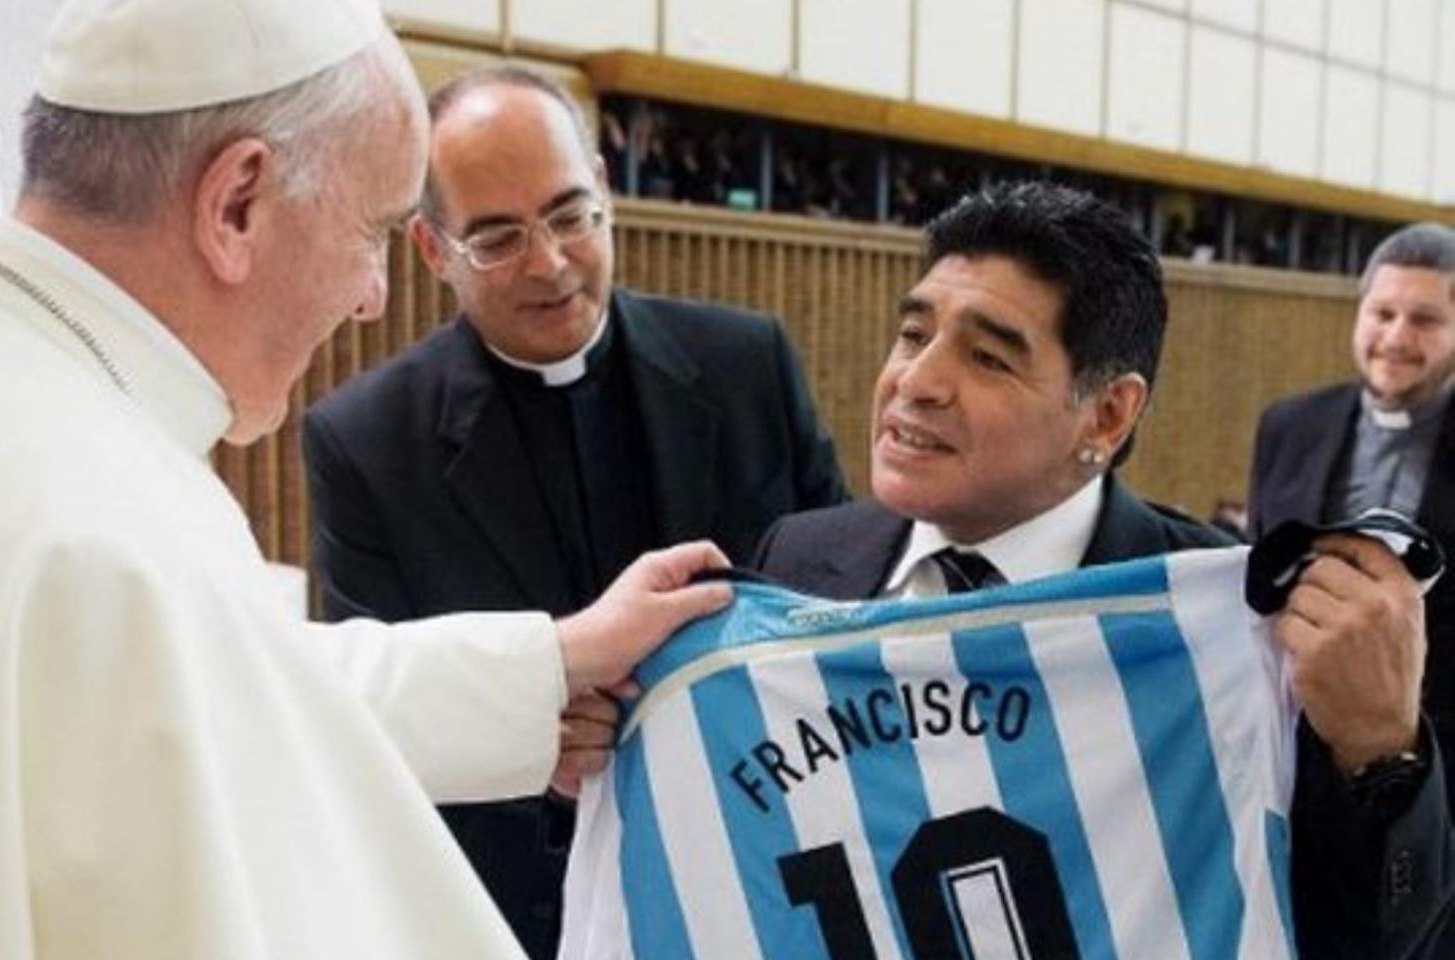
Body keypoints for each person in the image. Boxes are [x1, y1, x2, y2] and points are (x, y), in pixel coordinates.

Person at [0, 1, 736, 957]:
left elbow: (231, 686)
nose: (369, 297)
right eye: (368, 233)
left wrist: (542, 669)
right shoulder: (97, 525)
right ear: (235, 204)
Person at [754, 182, 1454, 958]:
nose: (915, 382)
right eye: (914, 334)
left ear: (1108, 415)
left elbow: (1373, 936)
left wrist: (1381, 752)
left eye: (987, 356)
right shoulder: (797, 561)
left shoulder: (1235, 627)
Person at [301, 66, 846, 957]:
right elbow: (375, 728)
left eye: (568, 214)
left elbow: (836, 593)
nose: (549, 263)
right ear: (433, 250)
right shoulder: (365, 441)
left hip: (764, 876)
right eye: (499, 237)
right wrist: (527, 739)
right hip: (520, 911)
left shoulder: (748, 365)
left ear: (604, 187)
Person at [1249, 221, 1455, 956]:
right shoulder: (1287, 424)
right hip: (1289, 761)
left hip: (1430, 775)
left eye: (1425, 319)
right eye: (1383, 313)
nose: (1397, 336)